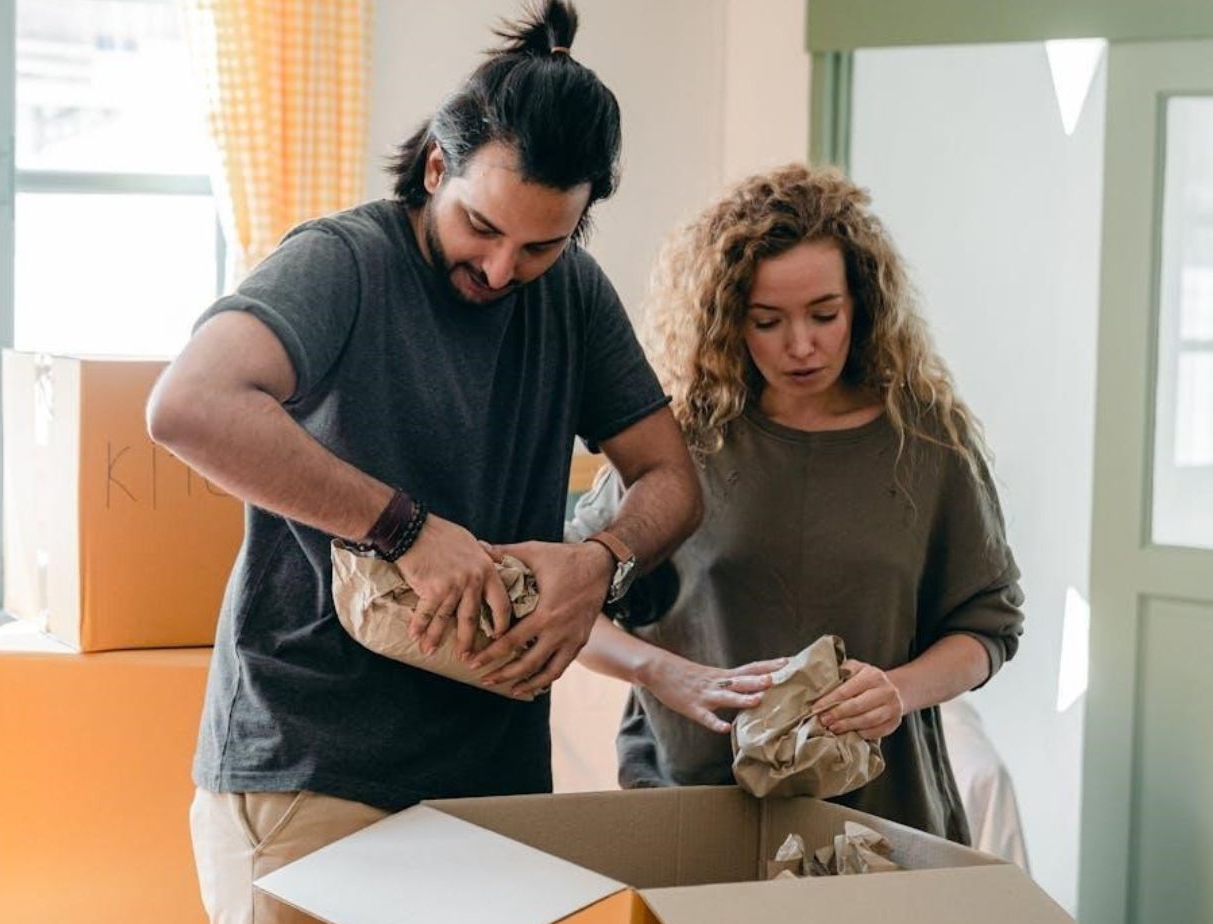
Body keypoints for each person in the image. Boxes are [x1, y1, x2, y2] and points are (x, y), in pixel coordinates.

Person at [145, 3, 703, 920]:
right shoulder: (343, 264)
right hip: (312, 773)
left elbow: (673, 481)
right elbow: (190, 405)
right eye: (480, 227)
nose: (498, 269)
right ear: (438, 167)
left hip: (493, 784)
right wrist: (403, 528)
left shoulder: (573, 295)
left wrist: (599, 563)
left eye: (539, 244)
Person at [571, 164, 1026, 842]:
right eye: (768, 321)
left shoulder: (928, 444)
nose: (802, 345)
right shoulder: (682, 444)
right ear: (729, 320)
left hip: (876, 811)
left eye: (824, 314)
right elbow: (567, 604)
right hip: (692, 806)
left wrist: (898, 690)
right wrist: (666, 673)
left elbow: (988, 626)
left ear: (862, 305)